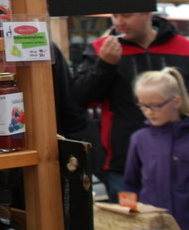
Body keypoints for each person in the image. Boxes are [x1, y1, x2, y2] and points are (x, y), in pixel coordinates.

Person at [71, 12, 189, 196]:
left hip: (181, 159)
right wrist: (105, 65)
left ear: (147, 13)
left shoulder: (183, 47)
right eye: (115, 16)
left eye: (126, 15)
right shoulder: (101, 48)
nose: (119, 22)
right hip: (122, 162)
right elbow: (80, 98)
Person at [123, 68, 189, 228]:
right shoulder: (139, 139)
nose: (149, 112)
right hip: (152, 224)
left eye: (155, 106)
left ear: (176, 102)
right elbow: (130, 183)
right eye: (143, 106)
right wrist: (127, 218)